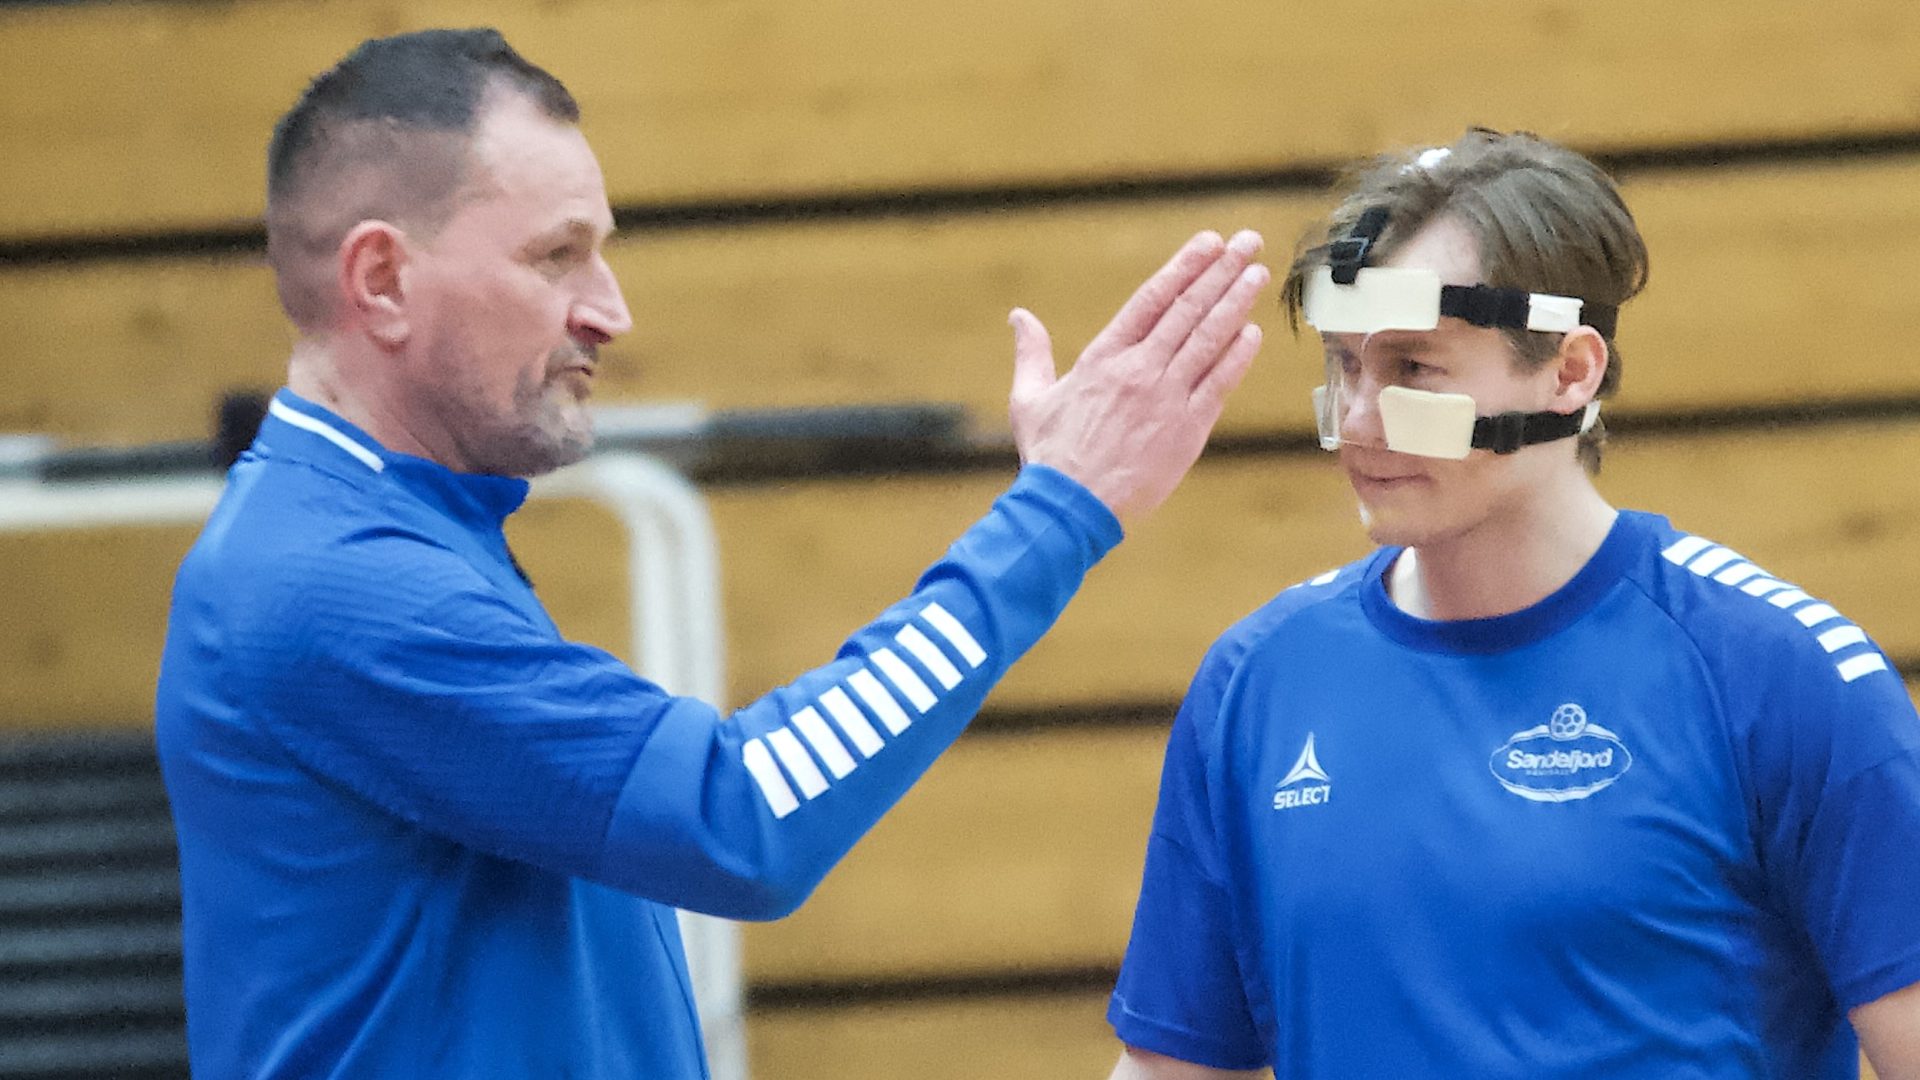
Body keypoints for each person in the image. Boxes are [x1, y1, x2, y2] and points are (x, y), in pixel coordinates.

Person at [151, 27, 1271, 1079]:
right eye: (558, 256)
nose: (610, 311)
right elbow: (742, 816)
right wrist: (1058, 515)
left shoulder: (388, 529)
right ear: (382, 281)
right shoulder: (330, 580)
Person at [1104, 129, 1920, 1080]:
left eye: (1414, 368)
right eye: (1345, 365)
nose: (1359, 420)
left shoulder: (1779, 674)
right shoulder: (1258, 680)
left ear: (1570, 372)